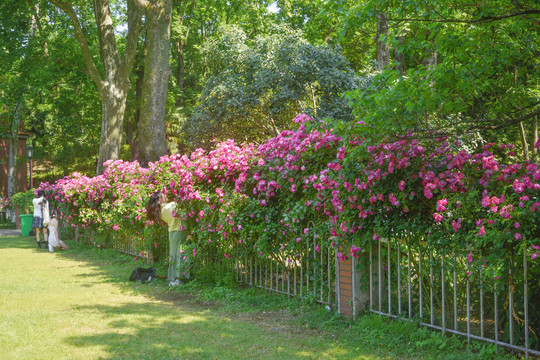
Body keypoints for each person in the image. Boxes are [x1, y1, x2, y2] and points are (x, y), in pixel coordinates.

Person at [146, 191, 190, 286]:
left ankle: (172, 278)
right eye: (163, 195)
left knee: (173, 254)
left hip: (172, 232)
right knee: (180, 254)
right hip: (179, 231)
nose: (166, 195)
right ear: (159, 199)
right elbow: (182, 209)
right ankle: (179, 279)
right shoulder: (169, 206)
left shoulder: (160, 211)